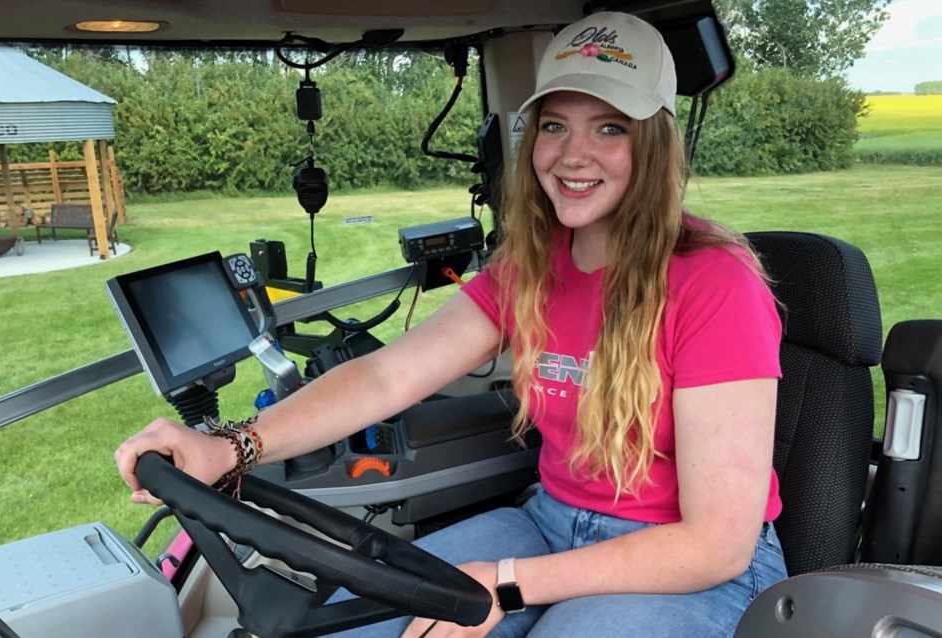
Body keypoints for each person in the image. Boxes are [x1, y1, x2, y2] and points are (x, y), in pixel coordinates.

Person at [115, 11, 787, 638]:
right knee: (360, 622)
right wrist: (231, 448)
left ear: (656, 143)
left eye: (610, 127)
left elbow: (716, 542)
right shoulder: (533, 266)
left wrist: (506, 584)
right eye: (555, 125)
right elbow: (385, 377)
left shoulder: (715, 282)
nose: (573, 154)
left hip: (691, 566)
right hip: (549, 523)